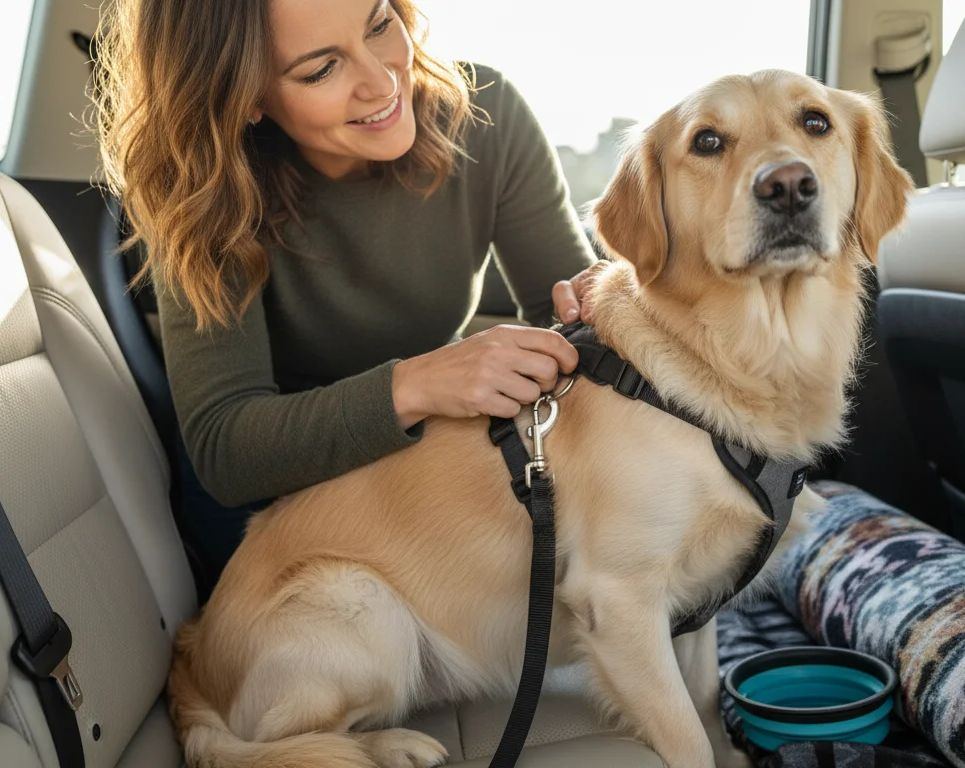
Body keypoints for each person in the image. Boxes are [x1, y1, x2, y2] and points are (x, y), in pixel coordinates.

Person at [93, 0, 604, 583]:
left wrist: (589, 308)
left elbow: (561, 311)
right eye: (320, 70)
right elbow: (225, 447)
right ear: (245, 94)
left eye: (380, 24)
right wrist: (419, 382)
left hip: (422, 467)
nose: (384, 80)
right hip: (271, 508)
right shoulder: (200, 193)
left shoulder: (490, 115)